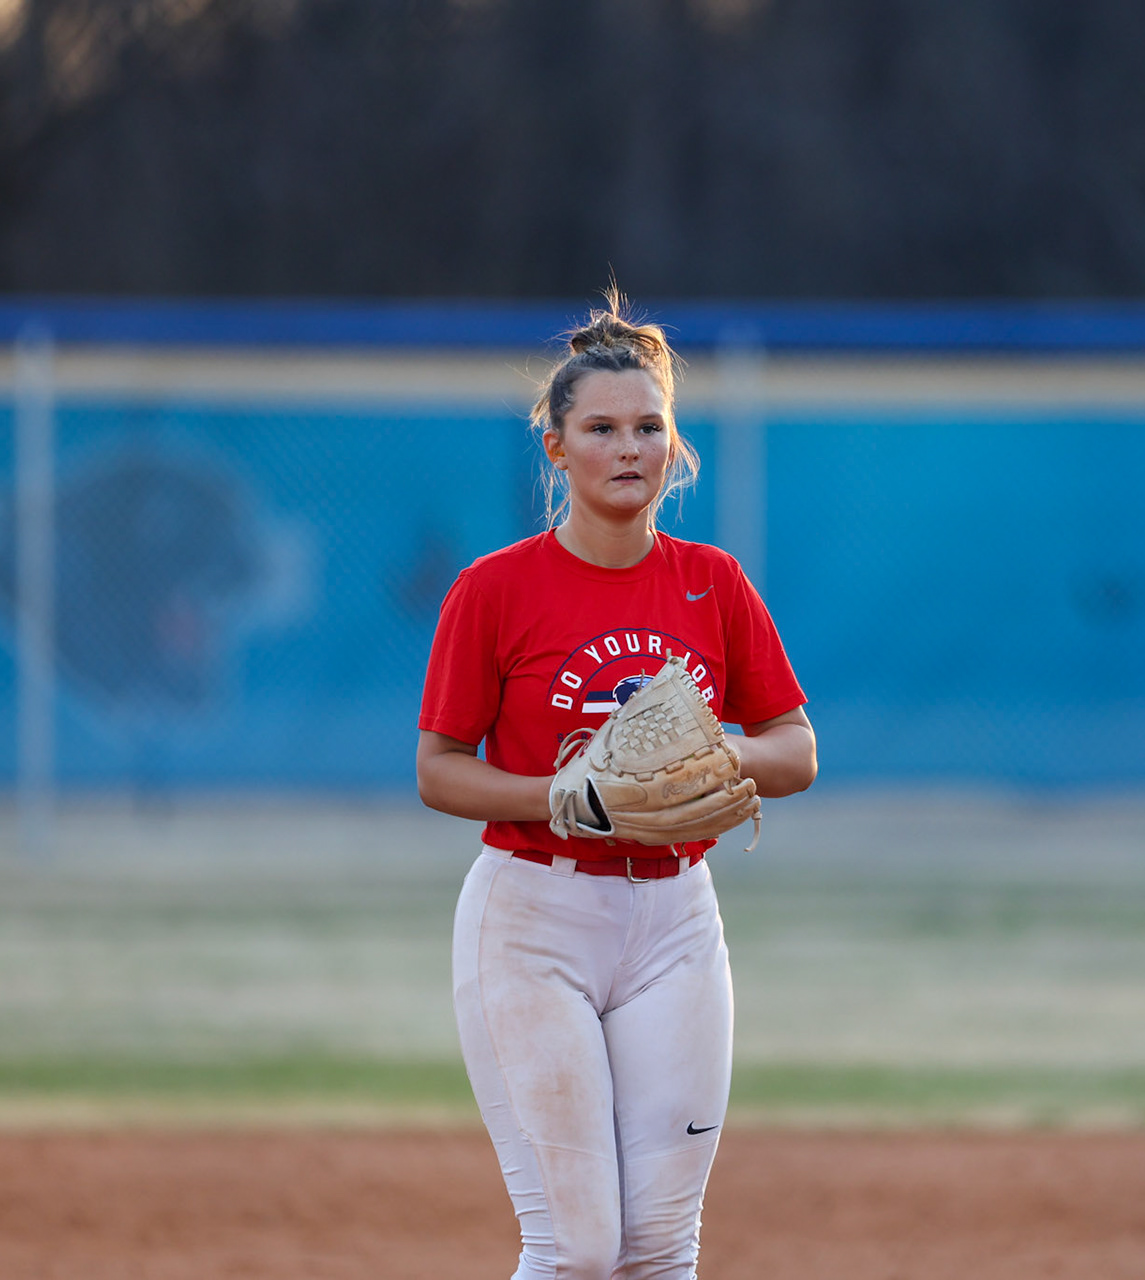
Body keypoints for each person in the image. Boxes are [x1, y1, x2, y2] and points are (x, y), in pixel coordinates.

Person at [416, 290, 817, 1279]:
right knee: (578, 1247)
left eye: (650, 427)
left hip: (675, 919)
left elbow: (794, 747)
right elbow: (439, 769)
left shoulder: (710, 582)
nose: (629, 446)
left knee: (658, 1250)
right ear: (556, 447)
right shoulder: (495, 589)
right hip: (534, 915)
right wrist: (563, 797)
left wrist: (711, 763)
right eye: (601, 428)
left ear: (674, 447)